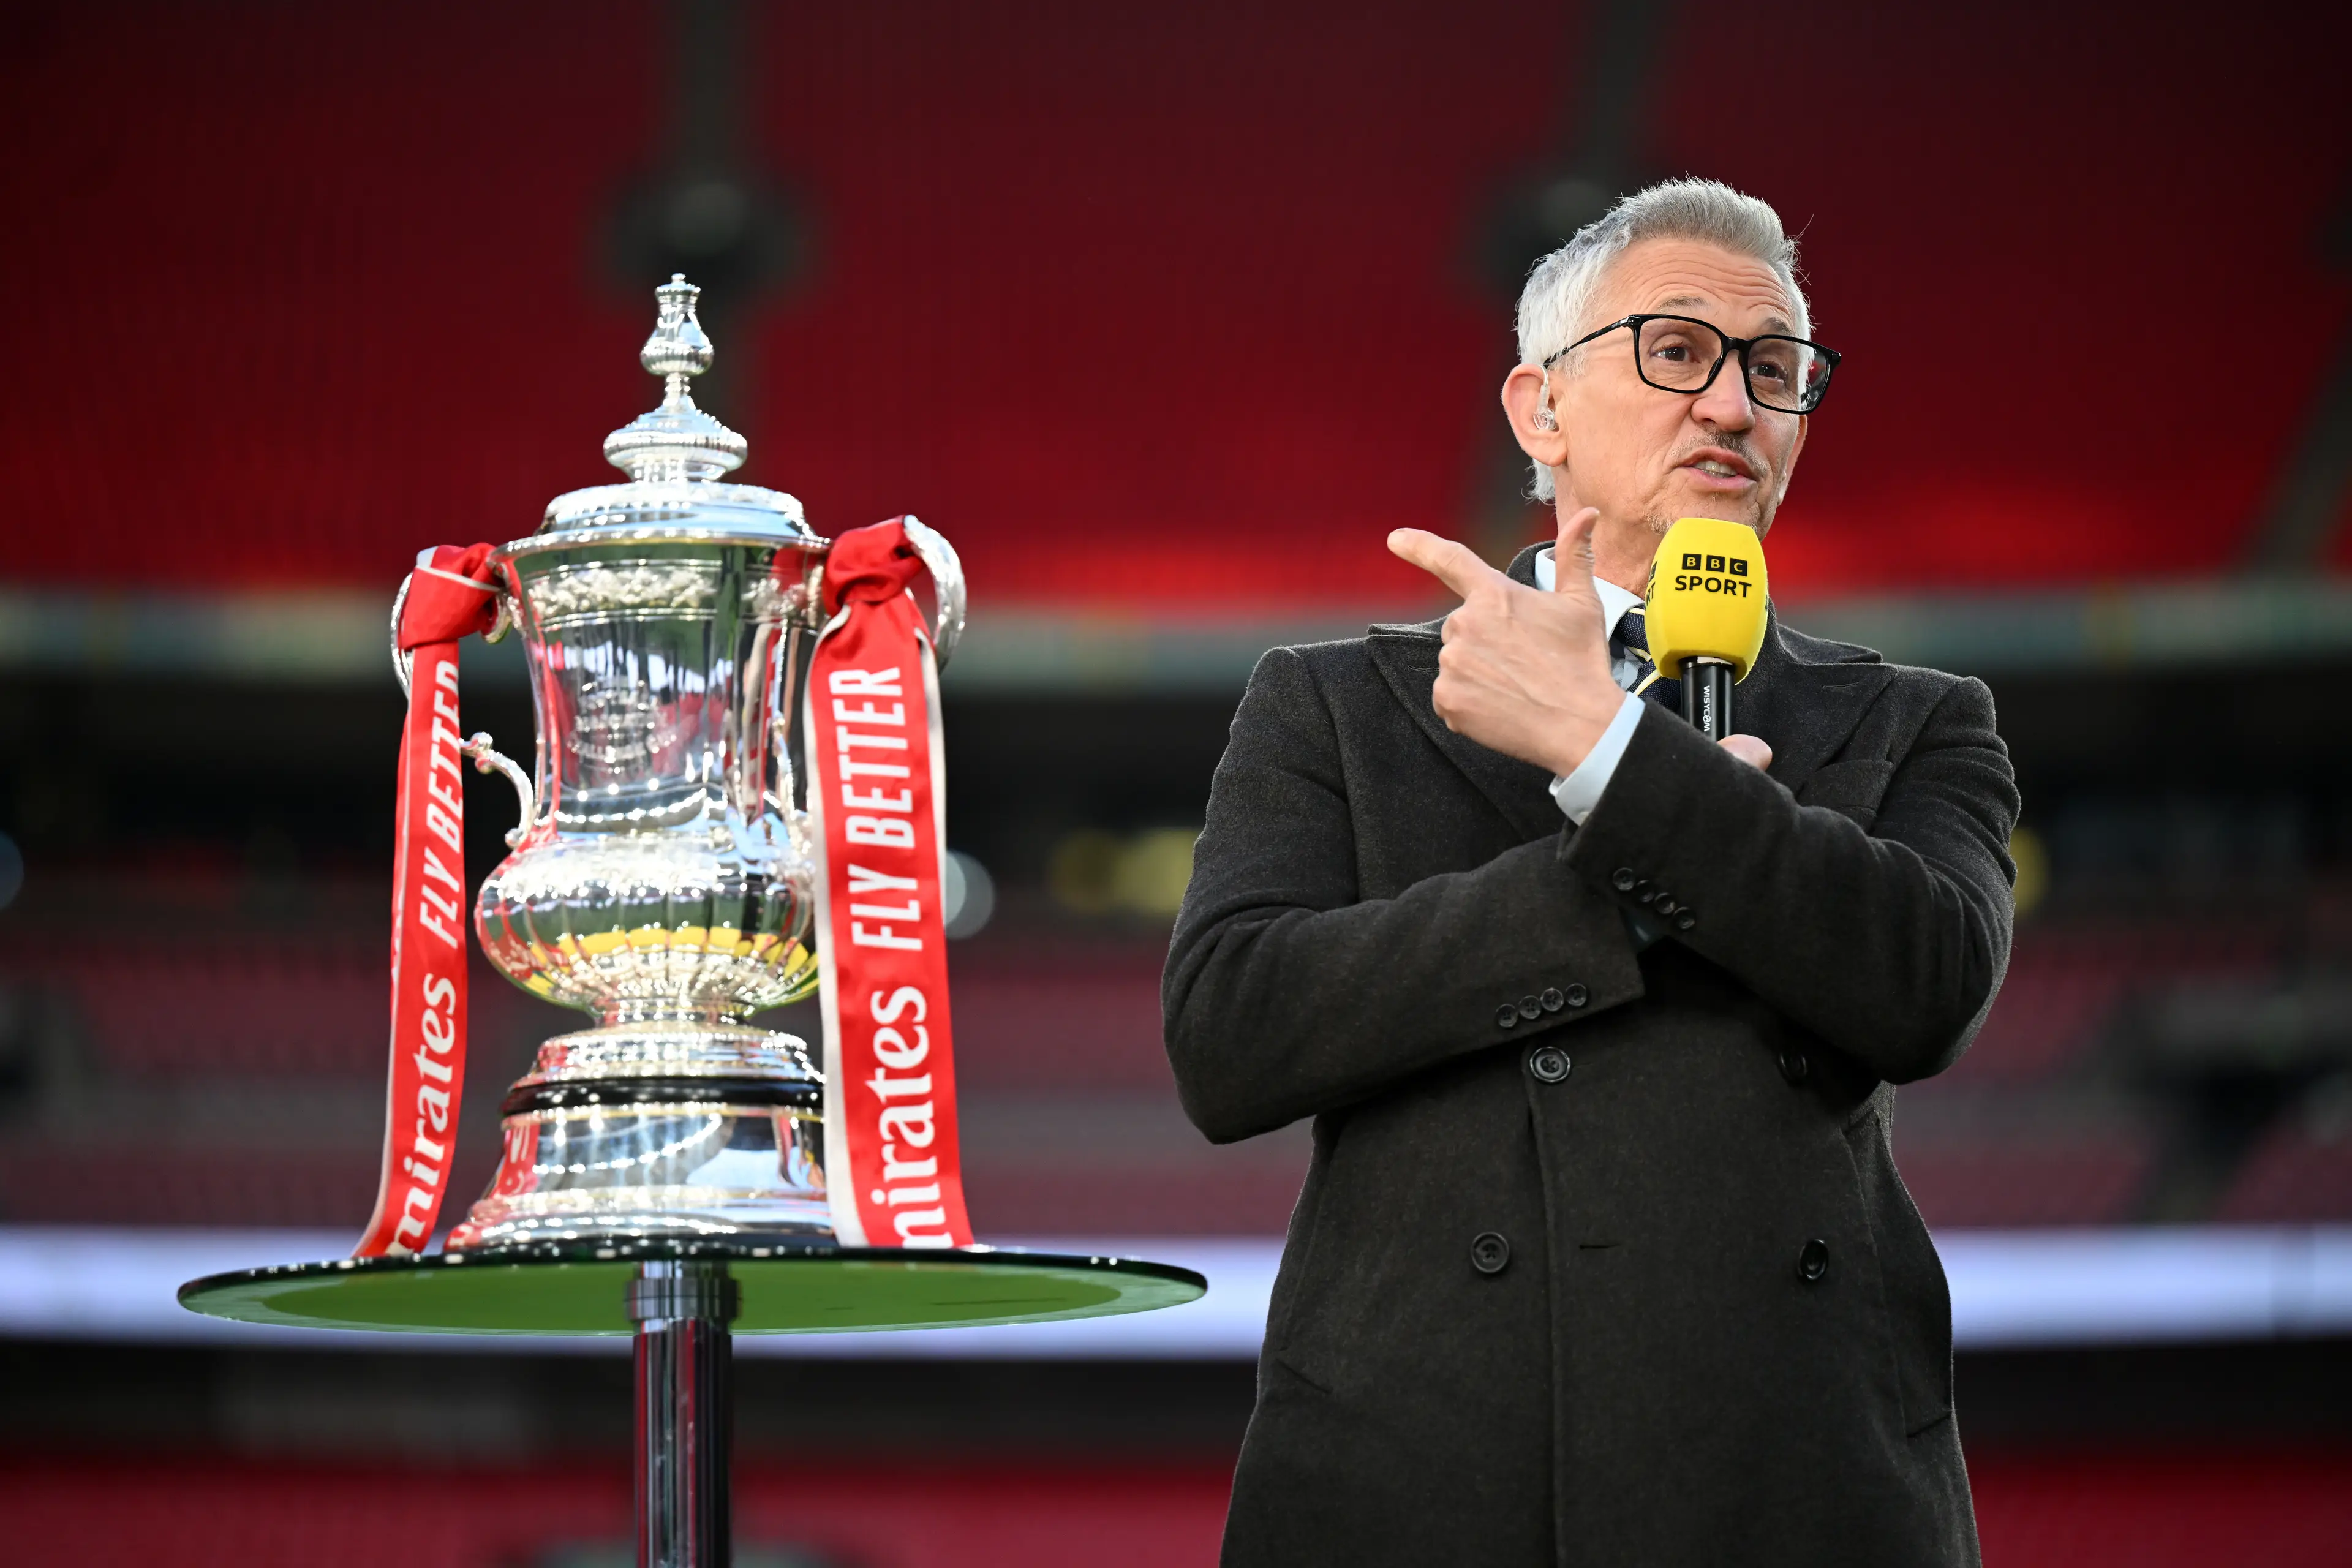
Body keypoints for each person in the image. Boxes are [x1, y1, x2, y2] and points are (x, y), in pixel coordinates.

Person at [1163, 179, 2017, 1567]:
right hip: (1427, 1477)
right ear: (1538, 409)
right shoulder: (1336, 704)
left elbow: (1925, 987)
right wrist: (1623, 863)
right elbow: (1229, 1035)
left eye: (1778, 371)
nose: (1734, 408)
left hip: (1798, 1485)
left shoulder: (1921, 719)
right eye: (1677, 353)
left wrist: (1612, 757)